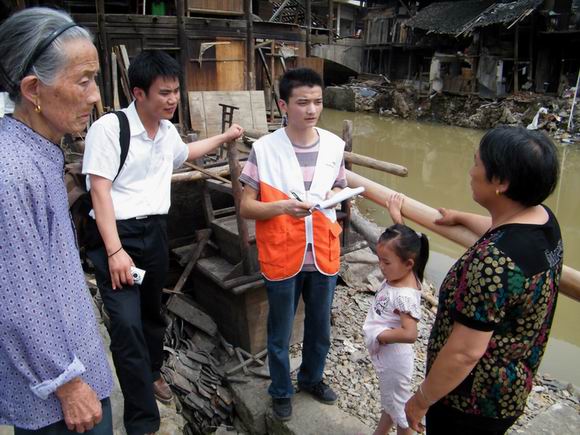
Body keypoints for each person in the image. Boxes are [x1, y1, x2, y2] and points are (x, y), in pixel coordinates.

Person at [82, 50, 242, 435]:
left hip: (155, 233)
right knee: (125, 325)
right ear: (138, 92)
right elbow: (99, 192)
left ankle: (153, 371)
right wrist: (115, 250)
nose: (173, 100)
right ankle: (143, 423)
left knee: (152, 312)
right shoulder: (109, 129)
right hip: (115, 235)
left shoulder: (167, 132)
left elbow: (187, 154)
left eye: (175, 92)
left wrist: (226, 136)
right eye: (164, 93)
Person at [404, 127, 563, 434]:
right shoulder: (543, 221)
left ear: (501, 182)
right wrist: (462, 217)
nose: (471, 171)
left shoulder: (493, 261)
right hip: (512, 388)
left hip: (469, 401)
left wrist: (421, 399)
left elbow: (465, 352)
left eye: (476, 163)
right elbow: (503, 228)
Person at [0, 7, 113, 434]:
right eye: (83, 80)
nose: (95, 95)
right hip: (59, 398)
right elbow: (16, 296)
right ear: (33, 89)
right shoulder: (10, 171)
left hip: (76, 361)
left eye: (95, 78)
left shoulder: (39, 150)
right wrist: (66, 384)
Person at [239, 68, 347, 421]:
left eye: (317, 101)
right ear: (284, 105)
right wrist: (283, 207)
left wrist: (331, 196)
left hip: (323, 252)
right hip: (283, 251)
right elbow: (246, 205)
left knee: (320, 327)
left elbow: (338, 187)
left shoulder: (333, 145)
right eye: (303, 102)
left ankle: (312, 378)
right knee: (280, 332)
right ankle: (281, 390)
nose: (312, 109)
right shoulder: (264, 149)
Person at [363, 193, 429, 435]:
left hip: (395, 359)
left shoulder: (404, 294)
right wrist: (396, 218)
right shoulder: (407, 271)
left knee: (401, 413)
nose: (381, 266)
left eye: (386, 262)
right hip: (393, 359)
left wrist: (380, 336)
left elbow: (410, 333)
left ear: (408, 264)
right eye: (379, 260)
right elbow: (407, 245)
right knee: (390, 402)